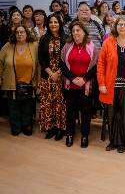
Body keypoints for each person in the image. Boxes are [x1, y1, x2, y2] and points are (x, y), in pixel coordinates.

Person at [97, 16, 125, 153]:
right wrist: (101, 83)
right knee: (111, 114)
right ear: (115, 26)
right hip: (110, 85)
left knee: (123, 115)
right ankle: (112, 141)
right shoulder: (108, 42)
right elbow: (100, 64)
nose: (122, 27)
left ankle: (122, 142)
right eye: (119, 24)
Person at [60, 21, 99, 148]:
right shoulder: (67, 45)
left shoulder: (92, 46)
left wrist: (84, 79)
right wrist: (72, 78)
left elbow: (95, 66)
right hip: (70, 85)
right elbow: (63, 65)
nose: (75, 33)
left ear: (84, 32)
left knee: (86, 112)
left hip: (86, 86)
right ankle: (70, 134)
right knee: (70, 111)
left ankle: (84, 135)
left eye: (78, 30)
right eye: (73, 31)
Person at [0, 25, 39, 136]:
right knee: (13, 107)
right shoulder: (8, 46)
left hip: (29, 83)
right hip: (12, 82)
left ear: (27, 33)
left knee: (28, 107)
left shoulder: (34, 45)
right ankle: (16, 127)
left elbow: (39, 64)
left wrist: (38, 80)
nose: (20, 34)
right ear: (14, 34)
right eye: (17, 32)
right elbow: (0, 61)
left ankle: (26, 126)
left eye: (22, 32)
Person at [38, 13, 67, 141]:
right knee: (48, 103)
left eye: (56, 22)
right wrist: (51, 73)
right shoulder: (44, 39)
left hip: (62, 77)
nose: (53, 24)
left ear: (60, 24)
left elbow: (67, 59)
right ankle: (50, 127)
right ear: (47, 24)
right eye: (51, 22)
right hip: (47, 77)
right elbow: (41, 58)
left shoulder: (66, 39)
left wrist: (58, 73)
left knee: (60, 103)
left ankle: (61, 128)